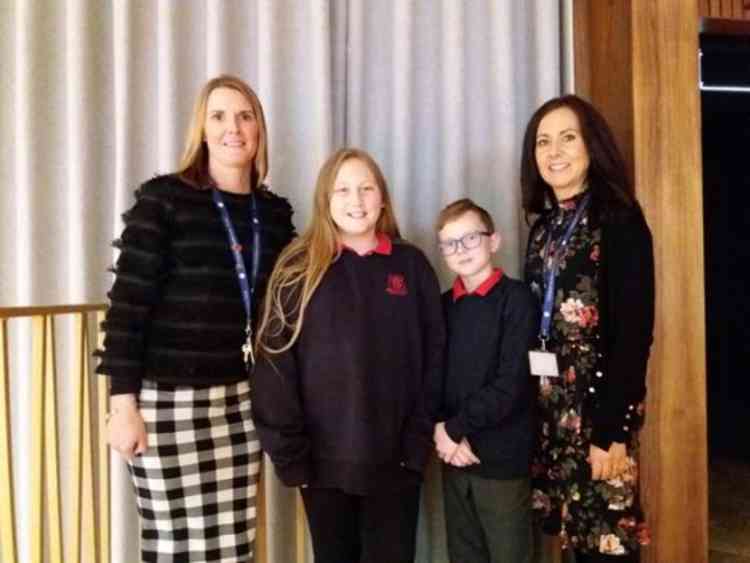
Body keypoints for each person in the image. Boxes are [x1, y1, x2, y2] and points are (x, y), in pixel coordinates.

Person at [95, 74, 295, 563]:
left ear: (260, 130)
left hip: (241, 402)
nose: (234, 128)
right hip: (165, 405)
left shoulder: (273, 215)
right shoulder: (163, 200)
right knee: (172, 547)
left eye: (246, 116)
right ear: (201, 131)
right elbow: (127, 307)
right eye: (220, 116)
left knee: (233, 546)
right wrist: (123, 406)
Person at [252, 147, 445, 563]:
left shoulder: (412, 266)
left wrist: (416, 443)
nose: (355, 200)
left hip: (397, 461)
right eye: (342, 190)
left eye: (365, 188)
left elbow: (436, 359)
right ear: (325, 199)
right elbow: (274, 367)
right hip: (322, 466)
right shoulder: (297, 269)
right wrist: (292, 455)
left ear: (382, 199)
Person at [521, 94, 654, 563]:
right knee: (571, 546)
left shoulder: (619, 219)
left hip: (599, 415)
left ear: (591, 146)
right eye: (542, 141)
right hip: (552, 419)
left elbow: (635, 333)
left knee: (606, 547)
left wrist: (612, 430)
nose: (553, 151)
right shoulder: (544, 228)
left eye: (567, 137)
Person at [433, 198, 538, 563]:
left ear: (494, 241)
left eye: (471, 239)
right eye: (450, 243)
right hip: (453, 457)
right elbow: (431, 377)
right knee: (464, 554)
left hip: (501, 461)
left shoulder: (518, 300)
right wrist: (442, 432)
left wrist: (455, 428)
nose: (461, 250)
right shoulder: (442, 306)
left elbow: (511, 383)